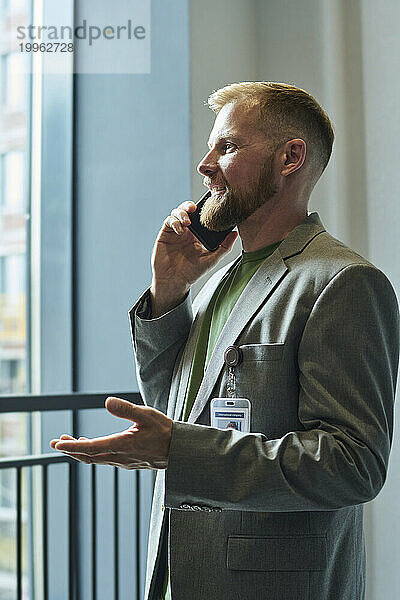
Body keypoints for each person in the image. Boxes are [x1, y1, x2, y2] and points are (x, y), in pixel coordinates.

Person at [51, 82, 399, 600]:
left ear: (291, 157)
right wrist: (168, 291)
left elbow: (353, 466)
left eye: (228, 147)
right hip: (180, 571)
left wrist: (180, 450)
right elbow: (172, 407)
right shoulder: (216, 279)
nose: (205, 164)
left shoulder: (342, 281)